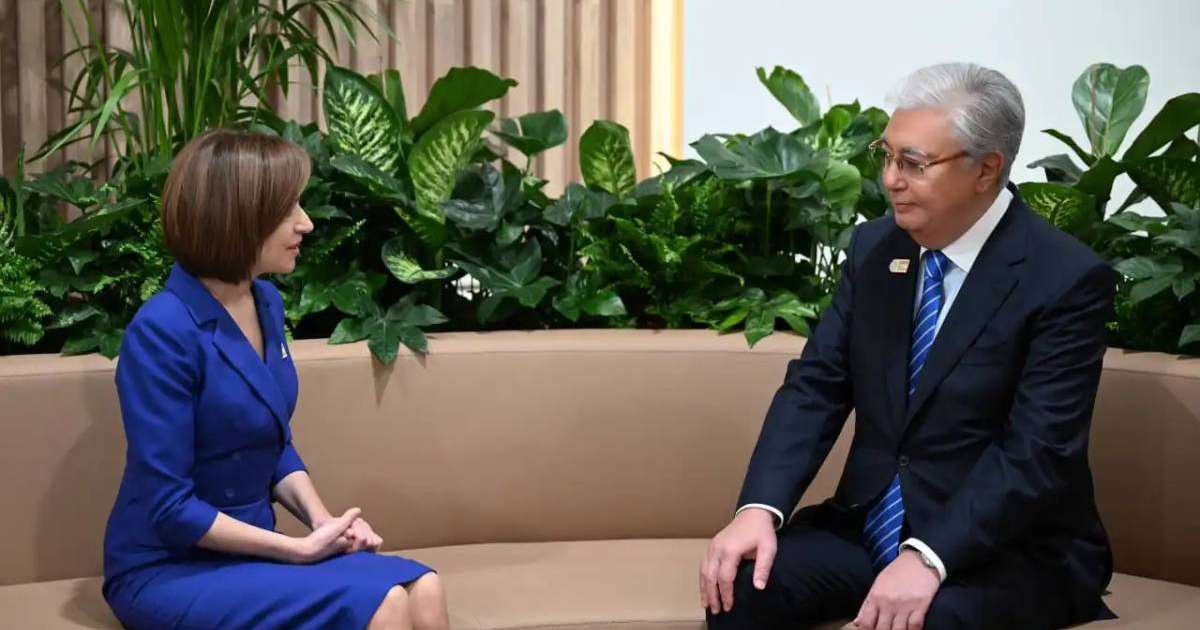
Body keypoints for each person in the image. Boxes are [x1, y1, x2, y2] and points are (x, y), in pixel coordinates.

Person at [700, 63, 1116, 630]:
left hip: (1006, 550)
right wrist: (759, 509)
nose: (890, 179)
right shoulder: (876, 249)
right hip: (870, 527)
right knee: (740, 587)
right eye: (887, 155)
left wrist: (930, 556)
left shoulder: (1063, 278)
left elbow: (1036, 452)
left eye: (913, 163)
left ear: (986, 169)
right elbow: (816, 387)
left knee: (926, 622)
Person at [102, 130, 449, 630]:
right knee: (385, 603)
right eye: (288, 210)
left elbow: (271, 440)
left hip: (253, 553)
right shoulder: (161, 331)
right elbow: (170, 507)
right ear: (237, 217)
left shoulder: (265, 302)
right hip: (169, 566)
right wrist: (296, 550)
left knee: (425, 587)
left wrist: (324, 524)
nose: (306, 222)